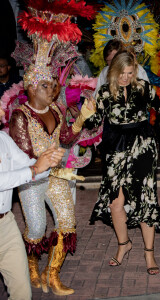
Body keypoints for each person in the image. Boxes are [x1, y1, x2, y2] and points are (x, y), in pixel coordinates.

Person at [7, 0, 96, 295]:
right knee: (36, 229)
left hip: (56, 174)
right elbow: (23, 152)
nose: (54, 90)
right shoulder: (20, 115)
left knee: (68, 223)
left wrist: (81, 119)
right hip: (32, 178)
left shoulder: (56, 111)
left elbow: (67, 139)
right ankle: (31, 266)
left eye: (53, 86)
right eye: (47, 87)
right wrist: (44, 160)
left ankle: (52, 275)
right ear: (31, 87)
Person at [88, 50, 160, 275]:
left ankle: (149, 253)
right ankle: (124, 245)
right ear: (113, 71)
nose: (125, 78)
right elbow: (93, 122)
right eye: (121, 73)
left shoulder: (143, 88)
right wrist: (84, 114)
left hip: (142, 146)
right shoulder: (103, 93)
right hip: (116, 148)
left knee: (144, 199)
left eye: (130, 73)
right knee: (115, 203)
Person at [0, 106, 65, 300]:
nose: (3, 111)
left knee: (22, 293)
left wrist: (47, 162)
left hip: (6, 225)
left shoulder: (3, 139)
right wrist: (35, 169)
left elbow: (28, 165)